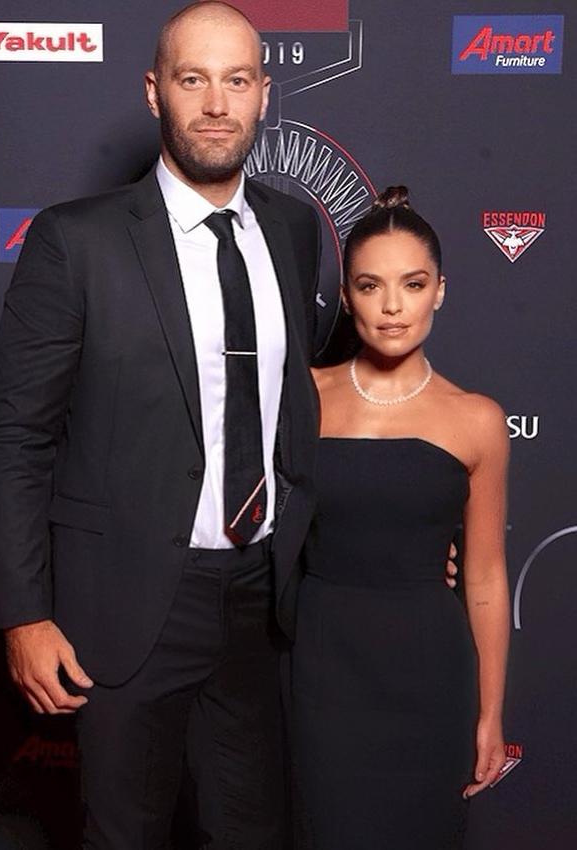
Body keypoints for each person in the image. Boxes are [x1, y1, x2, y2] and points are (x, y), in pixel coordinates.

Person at [0, 3, 321, 848]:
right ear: (153, 92)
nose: (215, 103)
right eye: (192, 79)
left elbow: (294, 412)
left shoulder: (291, 228)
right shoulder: (75, 241)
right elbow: (20, 436)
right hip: (125, 607)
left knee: (254, 833)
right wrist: (22, 613)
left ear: (263, 94)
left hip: (259, 606)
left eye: (236, 80)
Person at [291, 186, 510, 849]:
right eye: (369, 285)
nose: (392, 306)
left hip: (427, 673)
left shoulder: (477, 419)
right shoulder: (301, 396)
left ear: (439, 290)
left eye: (412, 284)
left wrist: (491, 713)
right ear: (348, 296)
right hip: (317, 668)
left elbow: (486, 577)